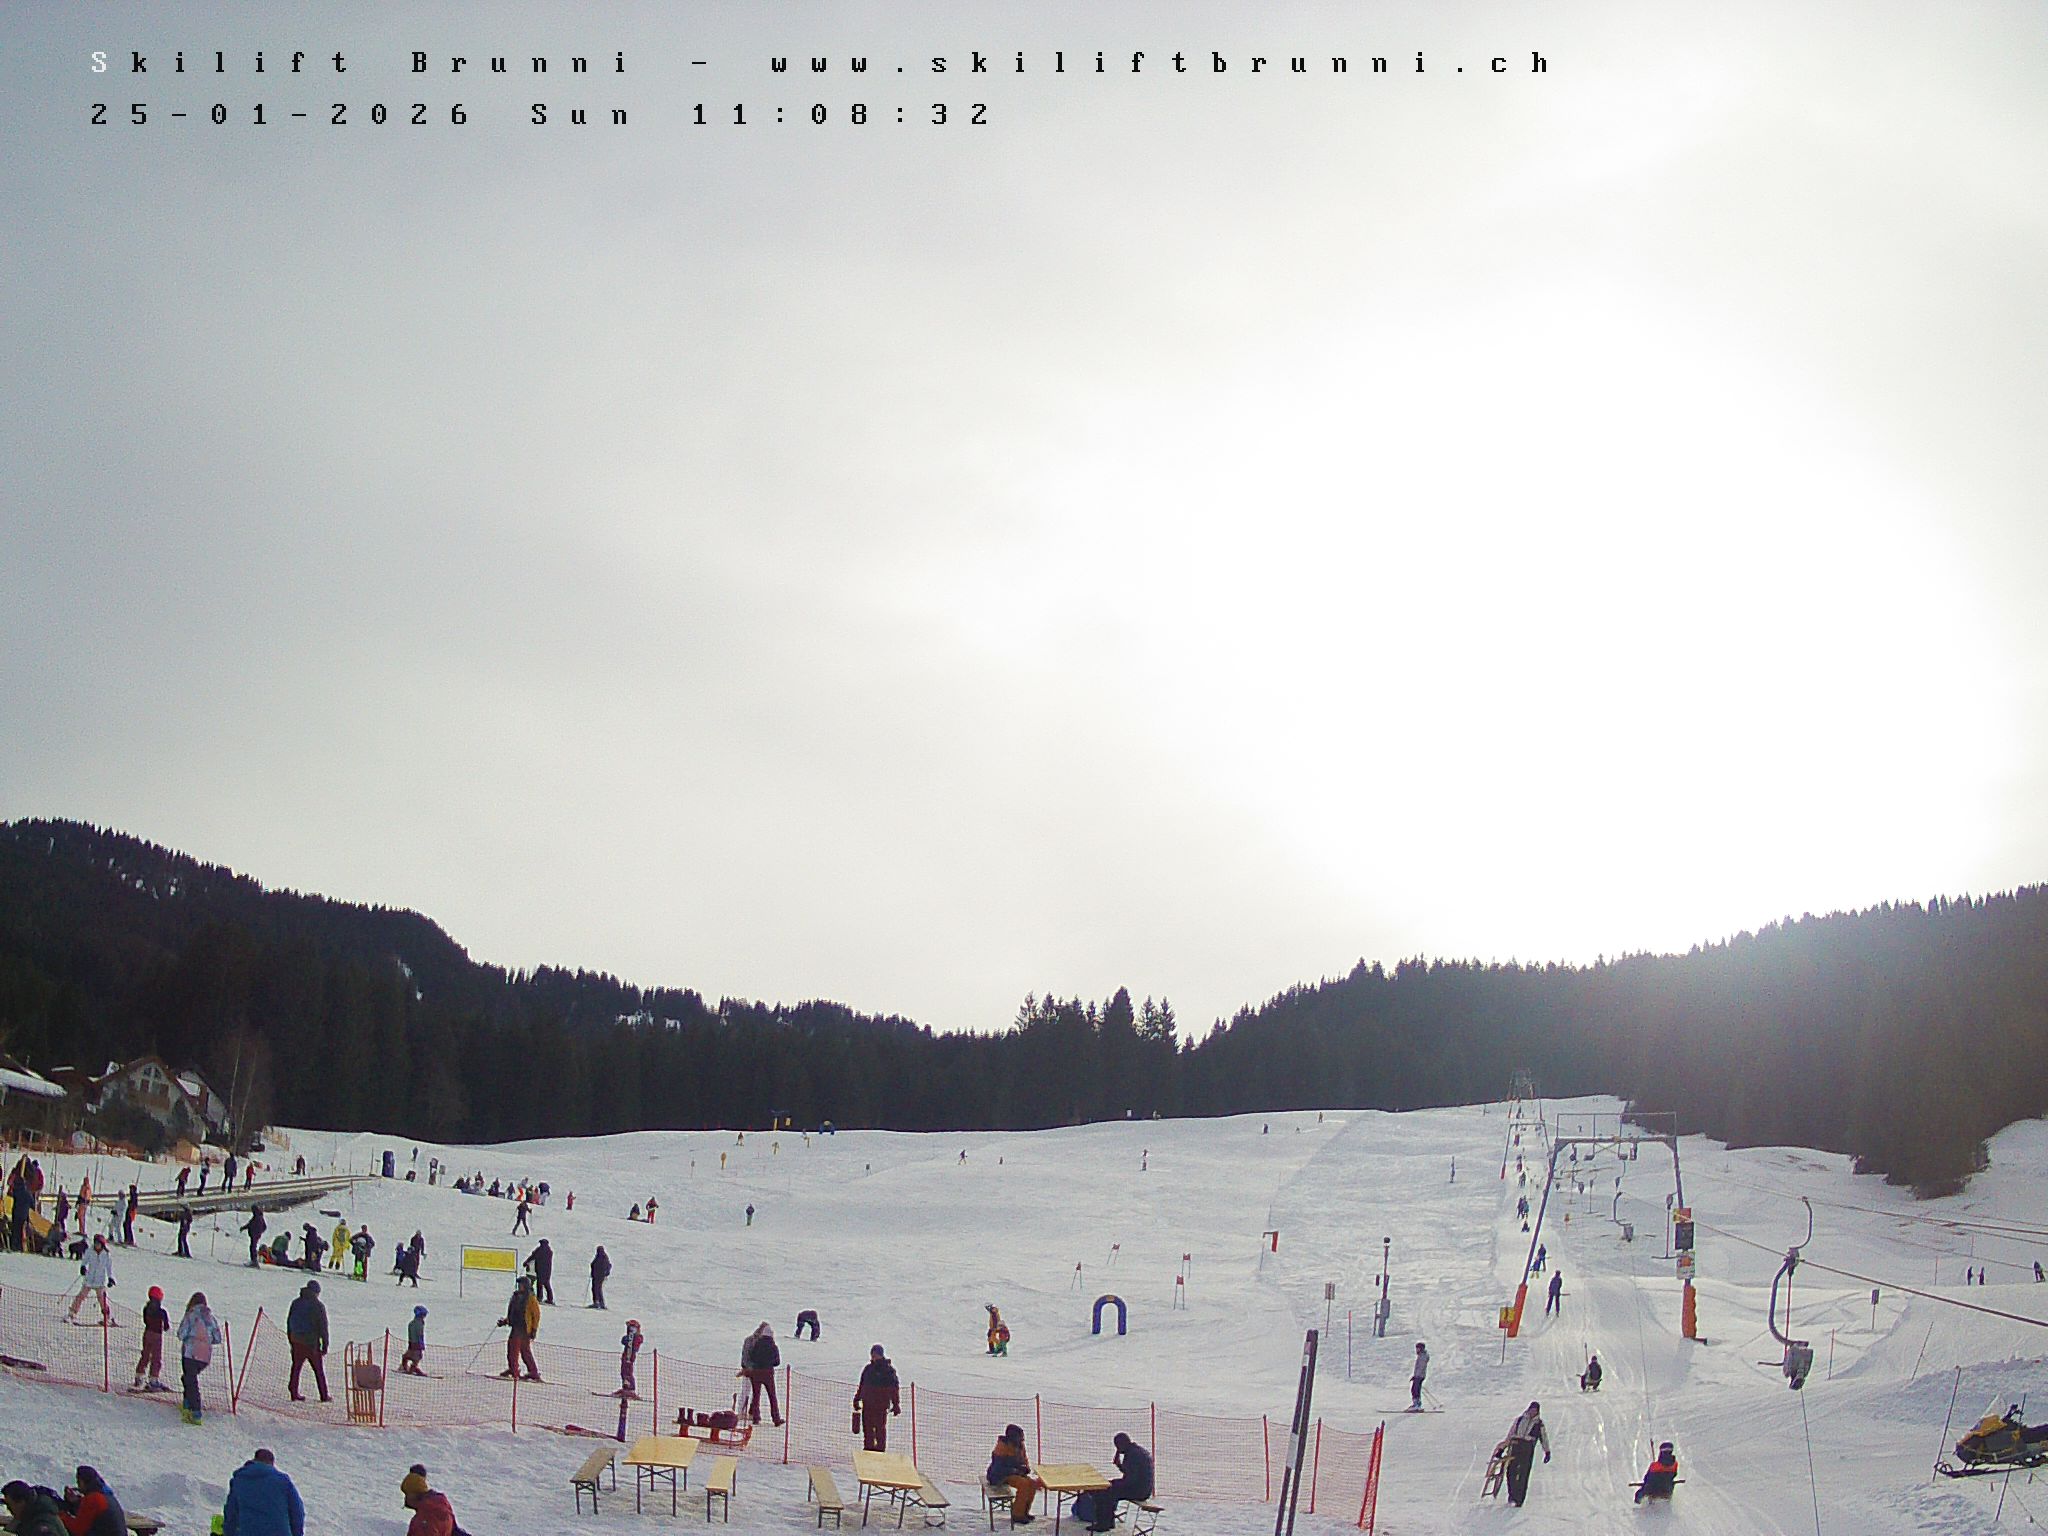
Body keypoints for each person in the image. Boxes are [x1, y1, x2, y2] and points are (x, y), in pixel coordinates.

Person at [1073, 1433, 1153, 1532]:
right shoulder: (1135, 1451)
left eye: (1117, 1447)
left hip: (1140, 1491)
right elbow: (1131, 1475)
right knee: (1108, 1489)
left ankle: (1103, 1524)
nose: (1117, 1450)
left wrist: (1113, 1483)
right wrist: (1119, 1466)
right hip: (1142, 1488)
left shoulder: (1133, 1455)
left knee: (1105, 1492)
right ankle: (1107, 1521)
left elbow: (1130, 1480)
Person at [222, 1448, 303, 1536]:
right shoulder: (283, 1481)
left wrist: (229, 1533)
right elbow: (297, 1512)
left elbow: (231, 1513)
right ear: (271, 1463)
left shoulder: (239, 1480)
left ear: (254, 1459)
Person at [987, 1422, 1046, 1524]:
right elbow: (998, 1469)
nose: (1022, 1439)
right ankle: (1017, 1514)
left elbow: (1023, 1460)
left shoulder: (1020, 1446)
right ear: (1013, 1437)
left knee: (1032, 1484)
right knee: (1023, 1484)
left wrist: (1025, 1468)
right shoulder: (1002, 1447)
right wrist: (1015, 1471)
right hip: (999, 1476)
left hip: (1014, 1473)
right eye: (1020, 1437)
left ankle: (1024, 1511)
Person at [177, 1290, 223, 1423]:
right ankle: (187, 1403)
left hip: (190, 1354)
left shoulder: (190, 1315)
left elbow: (181, 1334)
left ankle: (195, 1411)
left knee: (190, 1381)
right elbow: (217, 1338)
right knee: (188, 1377)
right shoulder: (210, 1318)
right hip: (205, 1357)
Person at [286, 1280, 331, 1402]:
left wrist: (291, 1339)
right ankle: (324, 1395)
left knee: (296, 1368)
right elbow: (323, 1327)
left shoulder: (296, 1303)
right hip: (311, 1343)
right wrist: (325, 1344)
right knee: (318, 1370)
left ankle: (293, 1391)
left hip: (296, 1340)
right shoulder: (318, 1306)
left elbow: (289, 1321)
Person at [1503, 1401, 1551, 1508]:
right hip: (1516, 1446)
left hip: (1527, 1448)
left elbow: (1544, 1438)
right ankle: (1512, 1494)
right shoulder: (1520, 1420)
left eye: (1535, 1411)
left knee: (1523, 1474)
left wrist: (1547, 1451)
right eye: (1532, 1410)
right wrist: (1503, 1447)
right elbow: (1511, 1434)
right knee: (1511, 1471)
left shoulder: (1539, 1424)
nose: (1533, 1412)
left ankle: (1519, 1499)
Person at [855, 1344, 900, 1451]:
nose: (873, 1357)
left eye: (875, 1355)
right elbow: (862, 1385)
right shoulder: (868, 1369)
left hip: (881, 1405)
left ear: (881, 1355)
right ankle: (868, 1449)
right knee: (867, 1429)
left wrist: (896, 1404)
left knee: (880, 1429)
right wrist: (857, 1398)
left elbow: (894, 1389)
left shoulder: (888, 1370)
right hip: (868, 1404)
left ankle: (880, 1451)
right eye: (872, 1354)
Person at [58, 1465, 125, 1536]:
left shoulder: (94, 1498)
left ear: (83, 1482)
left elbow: (77, 1529)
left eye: (78, 1482)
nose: (78, 1486)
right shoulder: (106, 1495)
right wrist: (75, 1502)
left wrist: (61, 1515)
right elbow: (88, 1512)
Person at [499, 1275, 541, 1381]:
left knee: (520, 1350)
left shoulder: (530, 1298)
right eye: (519, 1284)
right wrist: (506, 1321)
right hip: (516, 1327)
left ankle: (527, 1371)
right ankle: (515, 1368)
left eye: (521, 1285)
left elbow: (536, 1315)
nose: (519, 1286)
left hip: (524, 1328)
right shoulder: (516, 1296)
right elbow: (514, 1312)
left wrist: (534, 1329)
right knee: (513, 1349)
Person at [741, 1322, 784, 1425]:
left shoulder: (756, 1345)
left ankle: (755, 1417)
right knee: (772, 1396)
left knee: (756, 1395)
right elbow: (777, 1362)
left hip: (756, 1373)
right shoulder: (773, 1347)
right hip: (768, 1373)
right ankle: (776, 1418)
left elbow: (752, 1357)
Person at [69, 1234, 115, 1323]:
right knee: (81, 1296)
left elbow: (109, 1267)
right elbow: (85, 1260)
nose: (97, 1245)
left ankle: (107, 1316)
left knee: (102, 1299)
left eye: (99, 1244)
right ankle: (72, 1312)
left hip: (100, 1280)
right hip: (89, 1279)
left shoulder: (106, 1254)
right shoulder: (90, 1251)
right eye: (96, 1243)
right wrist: (83, 1267)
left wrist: (110, 1278)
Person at [133, 1284, 170, 1391]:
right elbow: (166, 1327)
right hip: (157, 1335)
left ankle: (139, 1376)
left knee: (145, 1355)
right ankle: (153, 1379)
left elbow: (145, 1321)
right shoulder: (162, 1312)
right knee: (156, 1357)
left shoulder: (146, 1309)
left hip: (147, 1333)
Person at [400, 1465, 456, 1536]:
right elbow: (454, 1530)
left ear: (414, 1494)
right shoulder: (442, 1505)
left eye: (407, 1494)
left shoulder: (424, 1517)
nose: (405, 1498)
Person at [2, 1480, 66, 1536]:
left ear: (21, 1502)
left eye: (9, 1505)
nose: (8, 1509)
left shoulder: (42, 1523)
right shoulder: (29, 1514)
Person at [526, 1238, 555, 1305]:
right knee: (547, 1284)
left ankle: (539, 1298)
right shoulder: (549, 1251)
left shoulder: (539, 1250)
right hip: (548, 1270)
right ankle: (550, 1299)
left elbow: (533, 1256)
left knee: (539, 1284)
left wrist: (526, 1262)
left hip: (540, 1270)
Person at [402, 1305, 428, 1374]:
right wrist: (421, 1345)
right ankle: (412, 1369)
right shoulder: (419, 1324)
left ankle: (405, 1366)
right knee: (417, 1357)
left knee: (407, 1356)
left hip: (411, 1343)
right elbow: (420, 1335)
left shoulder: (411, 1323)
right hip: (417, 1343)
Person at [620, 1319, 643, 1397]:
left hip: (630, 1356)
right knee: (624, 1371)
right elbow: (623, 1341)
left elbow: (635, 1345)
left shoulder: (637, 1337)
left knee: (628, 1371)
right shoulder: (629, 1337)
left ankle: (630, 1389)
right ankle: (625, 1387)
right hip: (626, 1355)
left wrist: (632, 1341)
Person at [590, 1245, 611, 1309]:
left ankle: (598, 1302)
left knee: (596, 1289)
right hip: (596, 1276)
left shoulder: (603, 1257)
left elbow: (608, 1266)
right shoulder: (600, 1257)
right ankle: (599, 1302)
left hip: (599, 1276)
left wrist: (606, 1273)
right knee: (596, 1289)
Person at [1410, 1341, 1429, 1409]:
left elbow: (1421, 1367)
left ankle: (1417, 1405)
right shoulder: (1421, 1355)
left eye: (1418, 1348)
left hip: (1419, 1376)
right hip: (1419, 1375)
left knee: (1415, 1389)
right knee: (1414, 1389)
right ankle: (1416, 1404)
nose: (1416, 1350)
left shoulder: (1423, 1356)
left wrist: (1416, 1376)